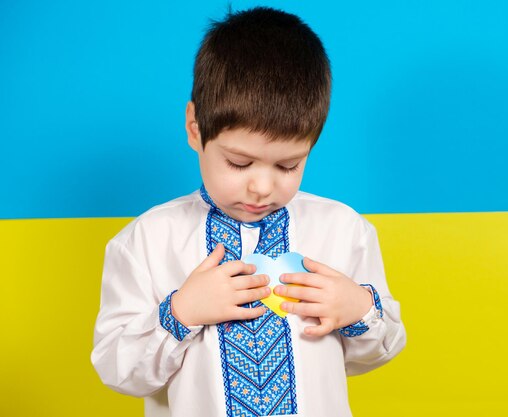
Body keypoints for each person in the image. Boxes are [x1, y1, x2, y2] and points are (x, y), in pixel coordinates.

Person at [91, 6, 406, 417]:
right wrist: (179, 314)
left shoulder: (343, 230)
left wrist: (358, 310)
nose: (262, 187)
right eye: (240, 163)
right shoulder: (148, 240)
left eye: (288, 165)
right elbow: (119, 371)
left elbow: (376, 351)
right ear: (195, 128)